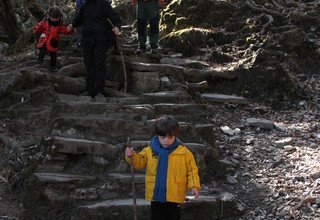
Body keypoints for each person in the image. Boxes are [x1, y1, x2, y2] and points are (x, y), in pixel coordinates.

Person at [125, 115, 200, 220]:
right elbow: (139, 162)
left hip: (175, 194)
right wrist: (131, 155)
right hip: (156, 194)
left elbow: (192, 170)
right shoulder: (150, 150)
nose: (166, 141)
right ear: (157, 135)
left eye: (170, 137)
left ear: (175, 136)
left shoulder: (184, 152)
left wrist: (194, 186)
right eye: (163, 137)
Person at [68, 0, 121, 98]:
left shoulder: (104, 4)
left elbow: (114, 17)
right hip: (87, 39)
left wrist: (117, 27)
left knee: (99, 63)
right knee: (88, 65)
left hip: (101, 39)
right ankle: (89, 89)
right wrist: (72, 25)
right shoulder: (85, 6)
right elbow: (79, 19)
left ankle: (100, 90)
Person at [33, 6, 74, 72]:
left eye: (56, 18)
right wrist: (36, 29)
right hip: (44, 40)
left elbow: (65, 30)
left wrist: (70, 30)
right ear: (49, 16)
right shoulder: (45, 22)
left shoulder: (60, 25)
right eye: (53, 18)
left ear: (59, 17)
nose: (54, 19)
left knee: (53, 54)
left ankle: (53, 66)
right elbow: (38, 28)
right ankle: (39, 62)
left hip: (53, 42)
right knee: (42, 51)